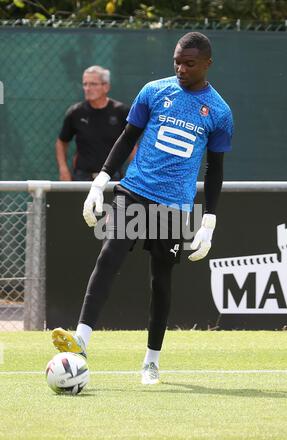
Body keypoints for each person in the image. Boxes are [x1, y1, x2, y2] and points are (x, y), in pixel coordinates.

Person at [52, 32, 234, 385]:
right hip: (133, 192)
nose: (181, 68)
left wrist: (208, 222)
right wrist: (99, 182)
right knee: (109, 256)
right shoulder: (154, 91)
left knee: (161, 281)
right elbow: (127, 138)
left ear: (207, 64)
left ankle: (151, 361)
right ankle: (80, 344)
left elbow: (216, 170)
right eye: (177, 61)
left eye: (189, 63)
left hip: (175, 206)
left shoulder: (220, 112)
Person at [55, 65, 130, 181]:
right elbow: (61, 142)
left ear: (106, 87)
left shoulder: (121, 112)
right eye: (85, 84)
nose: (87, 88)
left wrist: (137, 173)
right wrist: (63, 169)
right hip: (82, 179)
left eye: (93, 84)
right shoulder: (75, 112)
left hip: (111, 179)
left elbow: (131, 145)